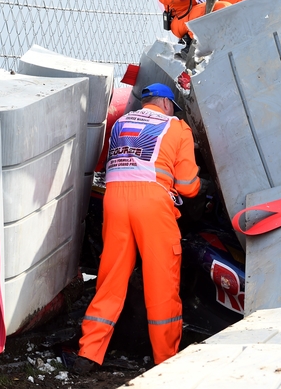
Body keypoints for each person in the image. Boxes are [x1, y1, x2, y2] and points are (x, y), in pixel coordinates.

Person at [72, 83, 201, 374]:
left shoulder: (121, 123)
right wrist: (198, 184)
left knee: (111, 279)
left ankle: (88, 353)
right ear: (166, 103)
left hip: (114, 201)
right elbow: (186, 185)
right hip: (152, 205)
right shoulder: (176, 127)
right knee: (161, 282)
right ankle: (166, 360)